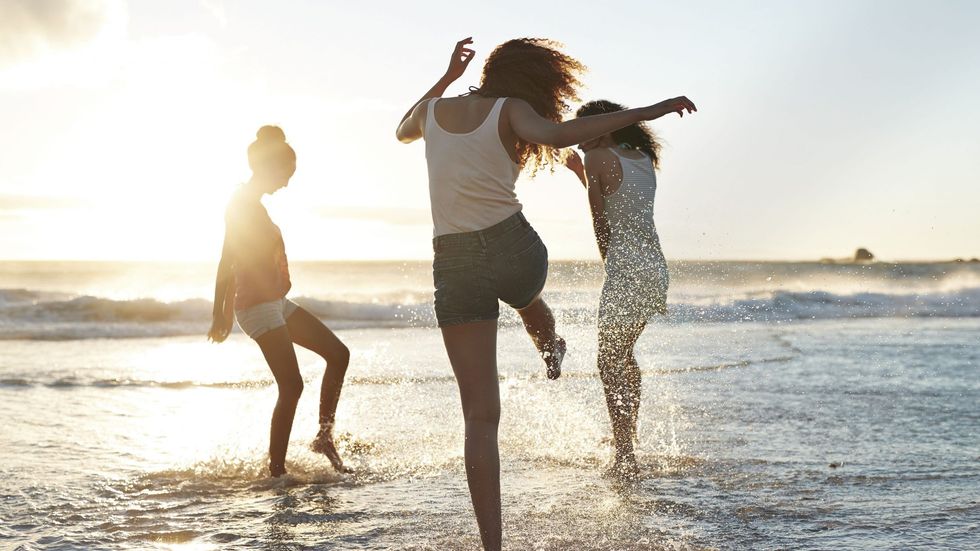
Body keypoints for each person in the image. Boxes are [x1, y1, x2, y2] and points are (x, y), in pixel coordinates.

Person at [395, 37, 696, 550]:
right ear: (536, 81)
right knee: (524, 295)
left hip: (454, 262)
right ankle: (549, 337)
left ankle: (494, 544)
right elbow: (562, 134)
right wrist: (653, 110)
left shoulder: (431, 110)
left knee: (480, 419)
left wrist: (446, 77)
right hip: (515, 250)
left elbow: (403, 131)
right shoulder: (512, 110)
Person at [208, 126, 351, 478]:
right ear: (269, 168)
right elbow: (227, 260)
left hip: (275, 301)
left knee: (338, 354)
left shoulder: (253, 204)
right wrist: (219, 314)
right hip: (255, 306)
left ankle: (323, 438)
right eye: (286, 174)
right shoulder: (241, 204)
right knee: (292, 385)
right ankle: (276, 472)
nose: (287, 183)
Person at [565, 99, 679, 483]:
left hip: (627, 269)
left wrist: (609, 268)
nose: (578, 141)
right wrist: (581, 173)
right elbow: (621, 203)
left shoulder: (598, 159)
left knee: (608, 360)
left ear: (604, 128)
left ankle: (625, 453)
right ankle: (627, 442)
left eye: (583, 133)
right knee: (622, 355)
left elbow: (601, 221)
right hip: (654, 267)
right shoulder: (642, 157)